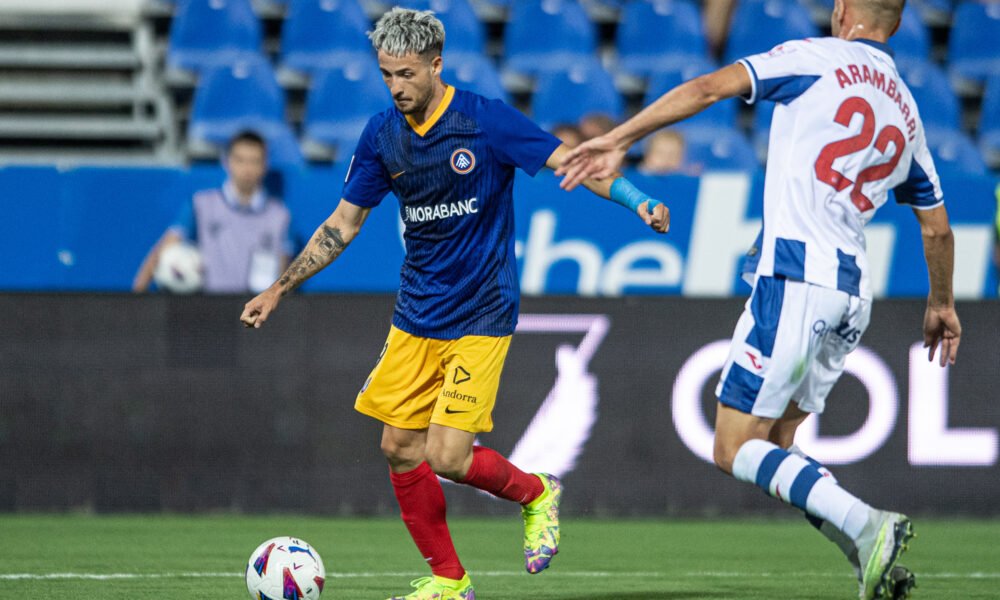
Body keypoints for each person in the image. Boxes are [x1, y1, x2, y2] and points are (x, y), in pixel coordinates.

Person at [239, 8, 668, 600]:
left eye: (407, 73)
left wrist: (636, 198)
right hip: (417, 313)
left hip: (482, 312)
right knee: (396, 446)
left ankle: (537, 493)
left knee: (445, 454)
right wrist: (279, 288)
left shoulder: (484, 122)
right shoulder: (382, 135)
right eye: (387, 74)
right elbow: (343, 224)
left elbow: (573, 165)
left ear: (437, 64)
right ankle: (450, 581)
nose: (396, 86)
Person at [557, 1, 961, 599]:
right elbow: (937, 229)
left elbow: (705, 87)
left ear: (842, 10)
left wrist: (617, 139)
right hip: (853, 293)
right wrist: (942, 305)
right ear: (897, 25)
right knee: (775, 448)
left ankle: (867, 524)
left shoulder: (814, 58)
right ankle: (868, 561)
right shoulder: (907, 108)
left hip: (796, 276)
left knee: (733, 445)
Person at [133, 131, 292, 294]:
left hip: (255, 312)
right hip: (211, 307)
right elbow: (163, 251)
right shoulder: (201, 204)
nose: (247, 169)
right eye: (240, 160)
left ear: (265, 165)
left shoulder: (279, 216)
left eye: (254, 161)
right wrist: (138, 299)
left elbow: (283, 273)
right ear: (227, 161)